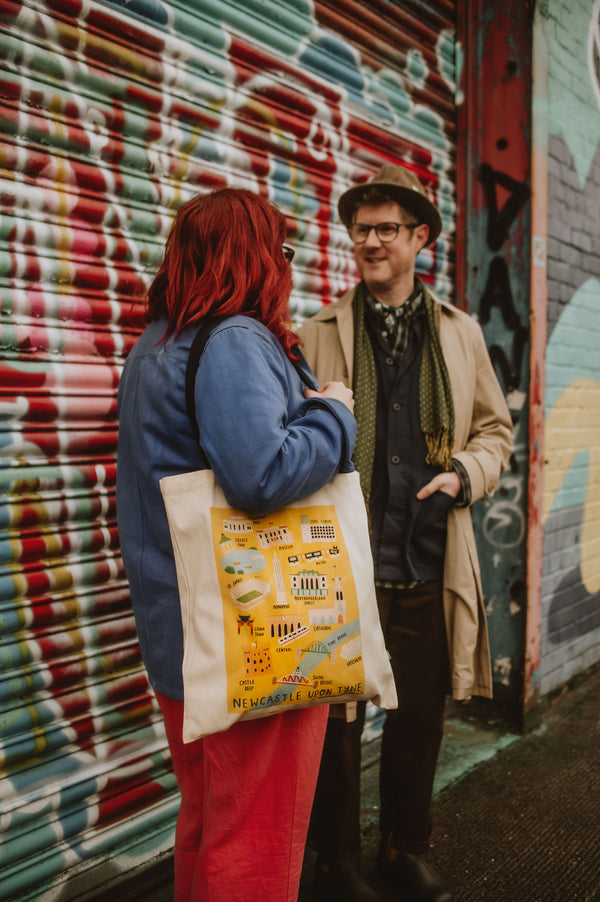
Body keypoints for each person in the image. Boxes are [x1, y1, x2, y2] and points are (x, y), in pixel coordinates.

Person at [116, 187, 356, 902]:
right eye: (281, 250)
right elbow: (264, 473)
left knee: (208, 822)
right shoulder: (236, 339)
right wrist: (335, 415)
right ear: (252, 255)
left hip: (182, 638)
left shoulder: (153, 346)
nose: (287, 267)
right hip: (257, 636)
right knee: (256, 840)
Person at [299, 164, 513, 902]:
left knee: (419, 717)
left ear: (421, 238)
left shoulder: (459, 333)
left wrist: (463, 472)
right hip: (344, 562)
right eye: (361, 229)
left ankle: (404, 849)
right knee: (333, 729)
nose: (370, 241)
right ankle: (335, 864)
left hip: (426, 556)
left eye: (387, 229)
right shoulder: (317, 332)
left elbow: (495, 432)